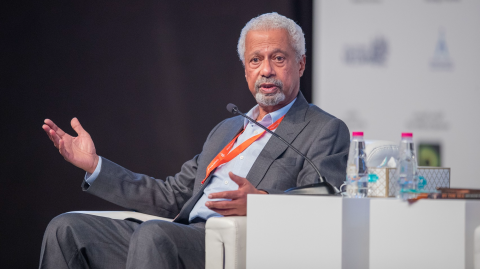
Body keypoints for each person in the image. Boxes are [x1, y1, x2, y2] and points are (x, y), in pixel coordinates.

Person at [39, 12, 350, 269]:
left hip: (237, 246)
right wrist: (95, 166)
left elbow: (322, 205)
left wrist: (262, 204)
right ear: (245, 71)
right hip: (177, 235)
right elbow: (172, 196)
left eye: (278, 58)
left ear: (301, 64)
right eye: (255, 60)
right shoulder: (227, 129)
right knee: (66, 229)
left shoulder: (323, 129)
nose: (266, 70)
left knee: (154, 235)